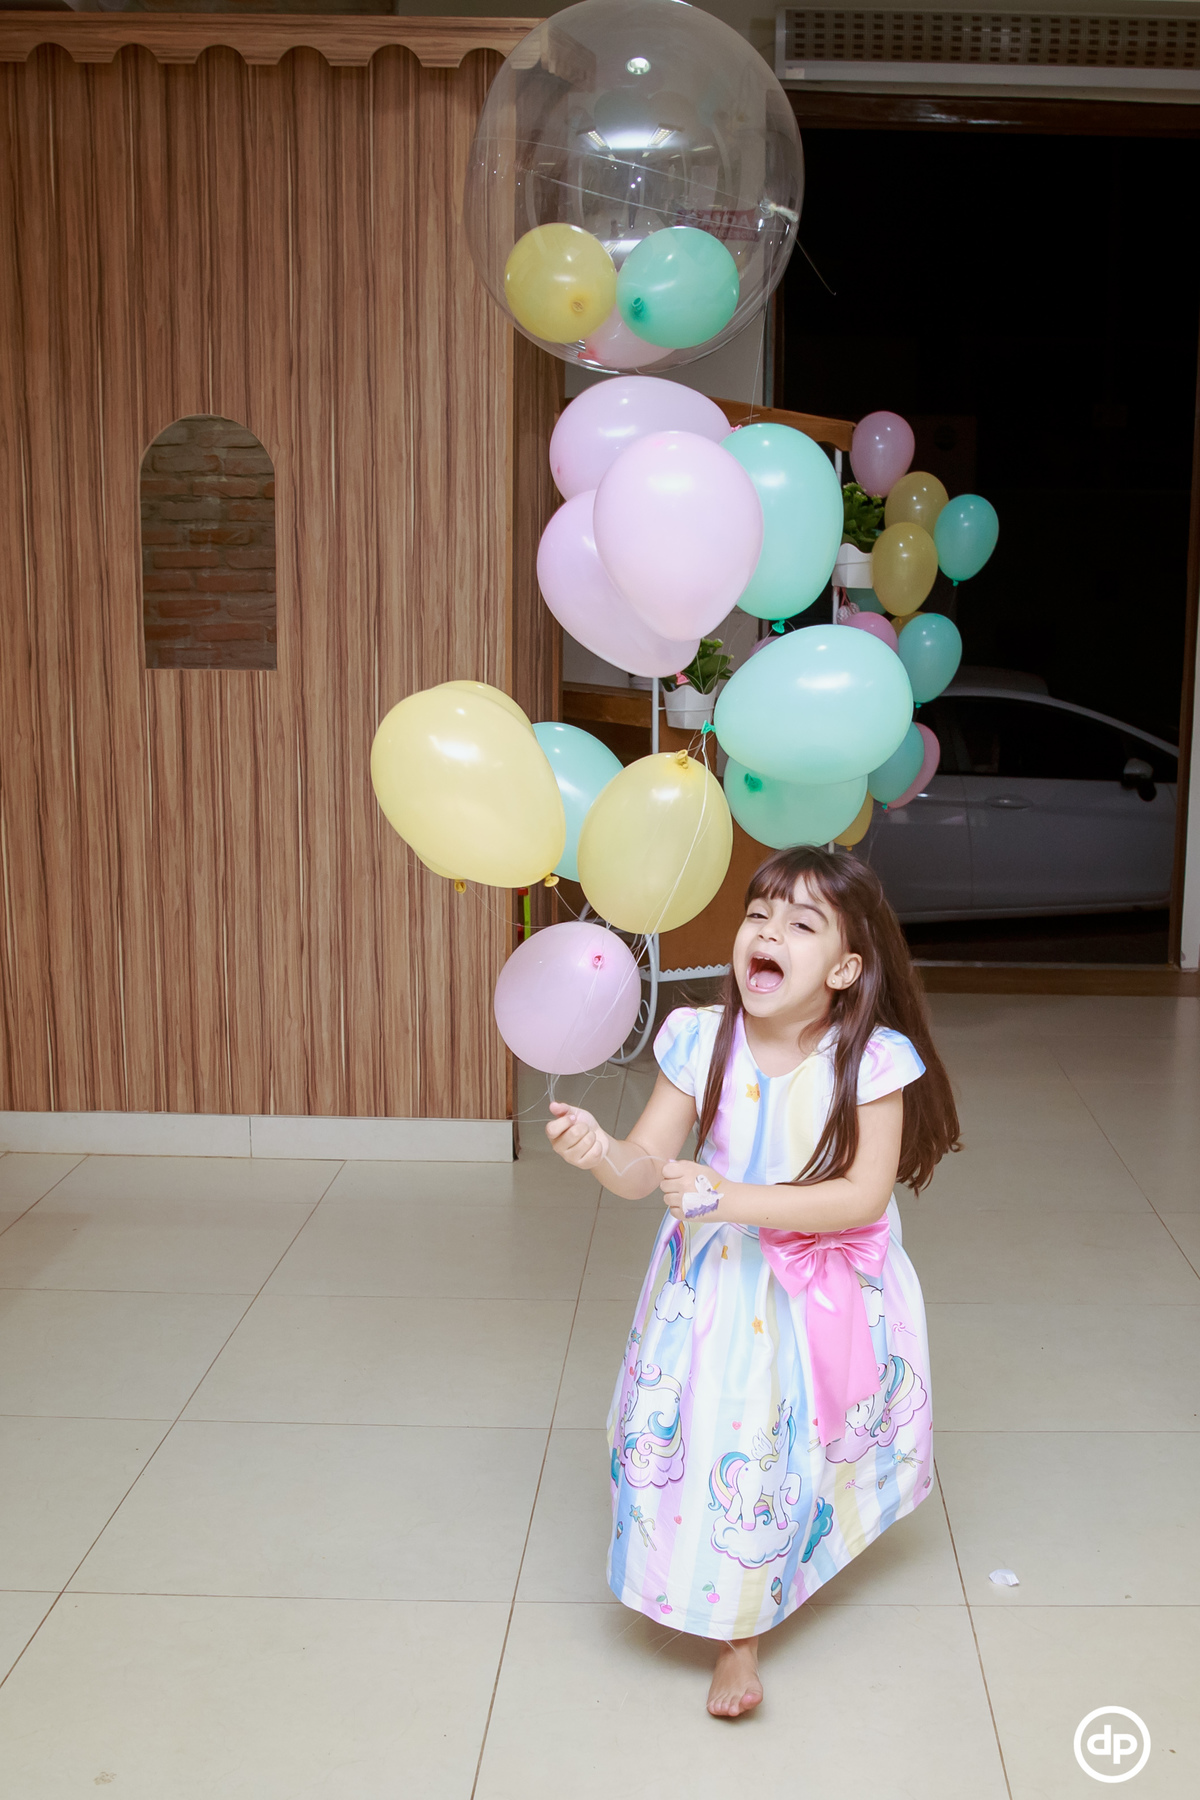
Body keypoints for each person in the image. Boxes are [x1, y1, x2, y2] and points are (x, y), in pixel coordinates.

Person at [546, 845, 960, 1719]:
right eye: (758, 916)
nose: (768, 934)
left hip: (812, 1291)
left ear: (844, 969)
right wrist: (600, 1151)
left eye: (802, 925)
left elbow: (862, 1195)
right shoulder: (701, 1039)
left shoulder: (870, 1060)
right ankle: (716, 1607)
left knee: (777, 1454)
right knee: (707, 1435)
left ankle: (743, 1632)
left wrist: (729, 1198)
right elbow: (642, 1168)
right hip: (713, 1291)